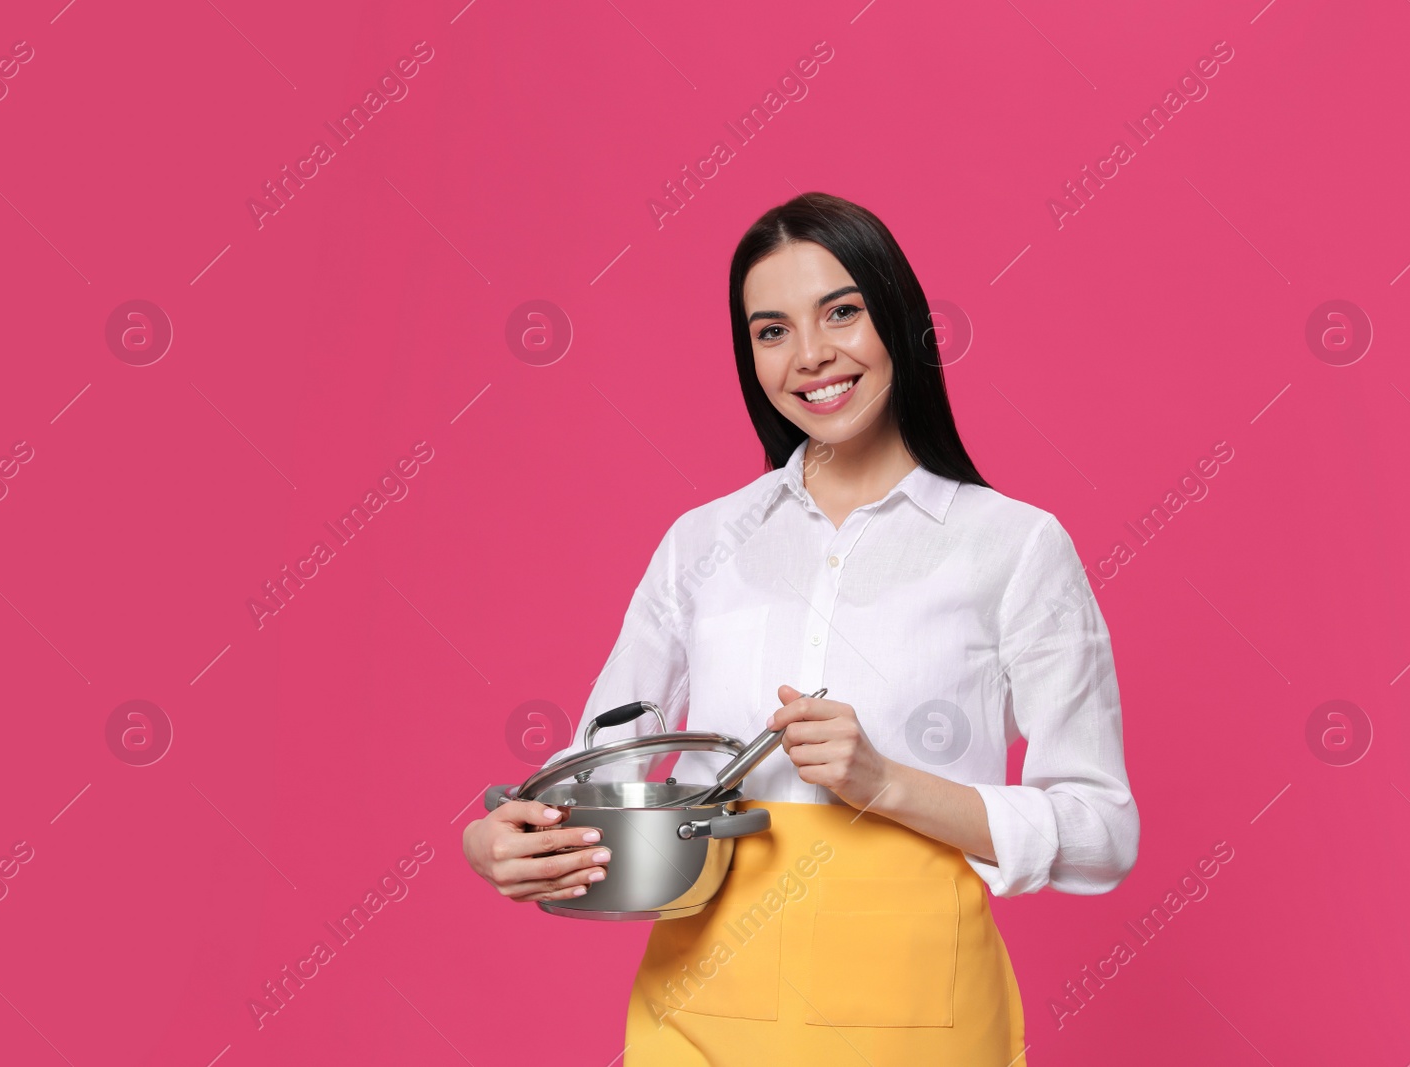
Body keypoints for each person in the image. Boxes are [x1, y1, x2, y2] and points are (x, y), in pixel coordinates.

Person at [463, 191, 1139, 1063]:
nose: (812, 355)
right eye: (771, 329)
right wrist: (505, 839)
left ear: (898, 317)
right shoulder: (702, 544)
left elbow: (1101, 830)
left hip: (915, 1023)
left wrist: (887, 783)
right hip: (706, 1015)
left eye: (843, 312)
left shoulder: (1014, 548)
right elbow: (593, 776)